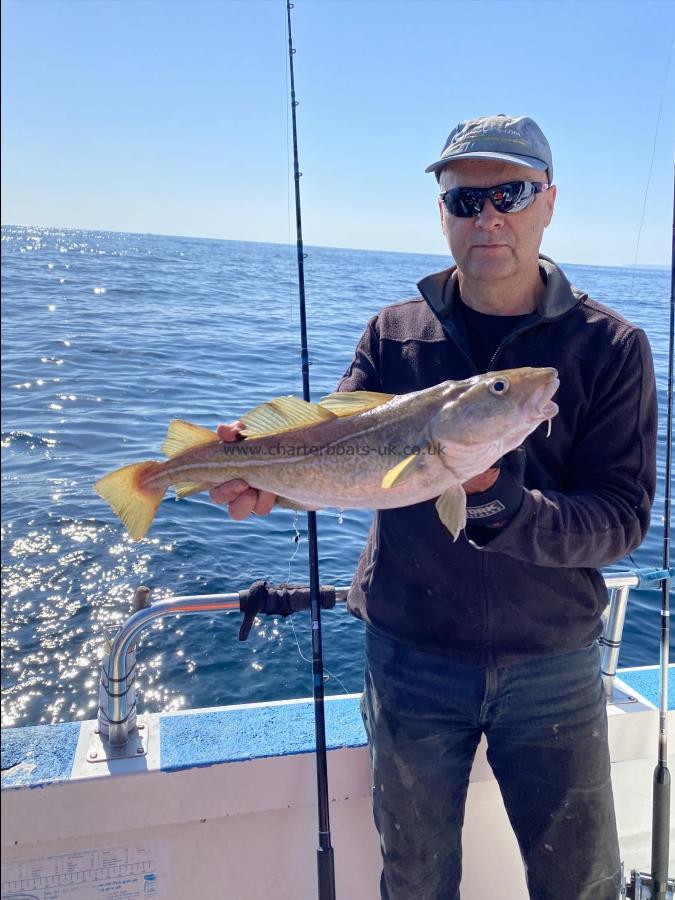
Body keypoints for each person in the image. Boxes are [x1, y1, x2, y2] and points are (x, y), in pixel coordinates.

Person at [210, 114, 657, 900]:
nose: (487, 217)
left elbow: (619, 519)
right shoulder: (393, 333)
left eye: (510, 194)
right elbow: (334, 452)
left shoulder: (609, 348)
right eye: (463, 199)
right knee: (413, 881)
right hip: (409, 656)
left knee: (579, 885)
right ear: (442, 212)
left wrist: (501, 505)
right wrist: (267, 482)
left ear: (548, 202)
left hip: (551, 662)